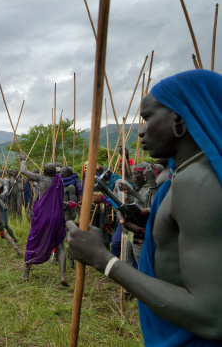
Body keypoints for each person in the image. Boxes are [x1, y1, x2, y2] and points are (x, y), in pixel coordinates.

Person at [67, 70, 222, 345]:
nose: (140, 130)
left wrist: (103, 260)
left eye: (148, 117)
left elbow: (212, 316)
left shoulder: (197, 182)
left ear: (179, 122)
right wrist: (150, 220)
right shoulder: (180, 179)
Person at [20, 157, 68, 285]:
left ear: (44, 172)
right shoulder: (59, 181)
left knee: (33, 241)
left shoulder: (41, 178)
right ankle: (63, 275)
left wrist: (23, 161)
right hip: (57, 215)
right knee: (60, 246)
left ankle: (26, 273)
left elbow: (23, 171)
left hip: (43, 215)